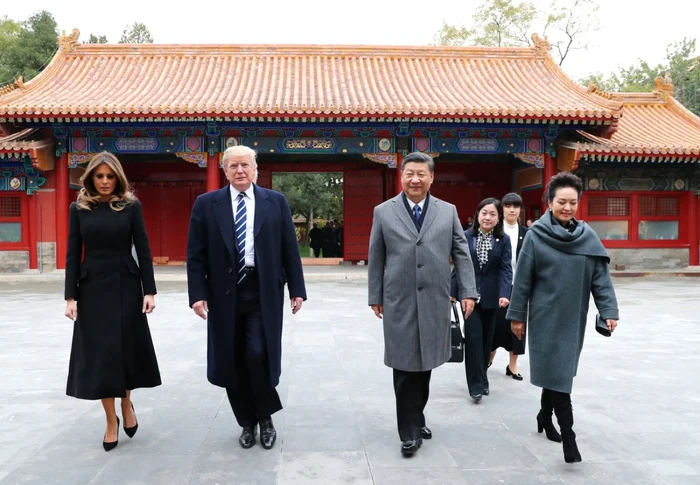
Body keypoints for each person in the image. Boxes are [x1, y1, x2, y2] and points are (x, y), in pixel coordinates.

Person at [186, 145, 306, 450]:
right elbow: (195, 255)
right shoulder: (206, 204)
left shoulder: (274, 202)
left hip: (261, 289)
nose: (240, 171)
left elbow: (288, 248)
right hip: (223, 293)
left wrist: (297, 289)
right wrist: (197, 294)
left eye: (245, 165)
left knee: (257, 353)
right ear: (224, 171)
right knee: (232, 358)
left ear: (256, 169)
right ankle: (247, 422)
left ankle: (266, 417)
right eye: (233, 166)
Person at [368, 151, 477, 457]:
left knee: (426, 362)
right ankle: (409, 431)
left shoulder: (447, 211)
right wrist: (375, 295)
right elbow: (376, 257)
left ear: (431, 177)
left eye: (421, 174)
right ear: (401, 177)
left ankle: (417, 414)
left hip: (434, 298)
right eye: (409, 174)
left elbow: (461, 253)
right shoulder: (384, 211)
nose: (415, 179)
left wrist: (468, 290)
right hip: (398, 299)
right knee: (404, 364)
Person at [507, 172, 619, 464]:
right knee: (558, 375)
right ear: (549, 202)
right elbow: (522, 281)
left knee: (559, 373)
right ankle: (569, 438)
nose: (567, 208)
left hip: (573, 319)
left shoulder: (588, 237)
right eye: (561, 202)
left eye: (572, 202)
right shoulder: (535, 236)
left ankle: (544, 416)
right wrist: (517, 317)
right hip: (545, 318)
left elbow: (601, 280)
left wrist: (608, 310)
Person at [63, 151, 161, 452]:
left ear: (117, 177)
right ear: (91, 178)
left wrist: (149, 290)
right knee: (101, 355)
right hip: (92, 288)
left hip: (127, 285)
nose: (105, 181)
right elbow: (71, 253)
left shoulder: (131, 206)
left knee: (124, 350)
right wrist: (70, 296)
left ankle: (127, 403)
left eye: (109, 176)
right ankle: (110, 419)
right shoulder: (78, 208)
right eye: (99, 176)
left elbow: (143, 249)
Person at [451, 198, 512, 402]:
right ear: (477, 215)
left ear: (498, 218)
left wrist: (505, 293)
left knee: (487, 341)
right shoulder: (466, 236)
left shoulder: (503, 240)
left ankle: (483, 378)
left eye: (492, 214)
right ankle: (475, 385)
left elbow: (505, 268)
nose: (487, 217)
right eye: (484, 213)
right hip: (468, 296)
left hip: (492, 296)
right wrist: (452, 291)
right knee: (474, 339)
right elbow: (458, 265)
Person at [489, 192, 528, 380]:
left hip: (519, 286)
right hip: (498, 285)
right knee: (496, 323)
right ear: (502, 209)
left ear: (520, 210)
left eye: (516, 206)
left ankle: (513, 365)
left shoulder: (527, 234)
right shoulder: (495, 231)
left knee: (518, 327)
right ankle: (489, 356)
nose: (512, 210)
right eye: (508, 206)